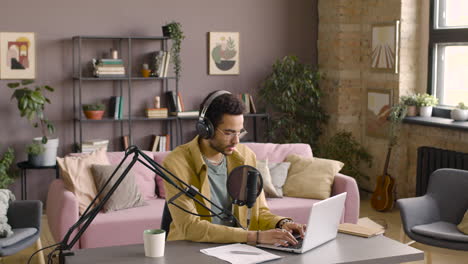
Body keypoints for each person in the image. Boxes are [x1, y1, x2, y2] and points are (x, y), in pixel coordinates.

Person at [162, 90, 305, 246]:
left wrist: (282, 224)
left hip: (235, 249)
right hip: (191, 249)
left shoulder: (245, 156)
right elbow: (190, 227)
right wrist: (254, 236)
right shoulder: (176, 163)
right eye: (229, 133)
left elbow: (259, 212)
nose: (236, 141)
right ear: (206, 128)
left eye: (239, 132)